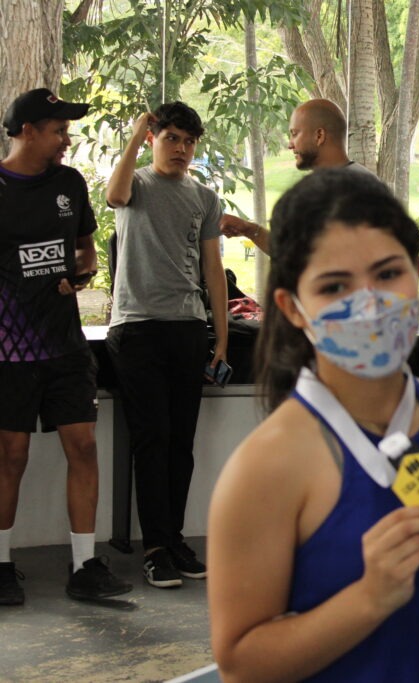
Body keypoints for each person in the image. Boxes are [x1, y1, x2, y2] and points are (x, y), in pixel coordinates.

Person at [207, 168, 419, 682]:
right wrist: (368, 599)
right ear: (292, 308)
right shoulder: (267, 465)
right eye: (335, 286)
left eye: (388, 274)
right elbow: (240, 665)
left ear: (416, 272)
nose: (369, 303)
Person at [0, 88, 132, 604]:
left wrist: (80, 275)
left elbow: (86, 253)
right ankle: (1, 566)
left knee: (84, 447)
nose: (66, 140)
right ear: (27, 131)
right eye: (58, 131)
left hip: (66, 346)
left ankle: (85, 567)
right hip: (8, 353)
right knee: (10, 457)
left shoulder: (69, 183)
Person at [105, 101, 229, 589]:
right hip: (136, 328)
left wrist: (220, 340)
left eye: (189, 141)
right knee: (152, 439)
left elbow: (213, 270)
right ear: (154, 139)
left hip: (186, 327)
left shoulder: (205, 198)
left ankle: (174, 539)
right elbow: (114, 196)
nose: (181, 148)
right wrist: (135, 136)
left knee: (181, 444)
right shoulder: (135, 184)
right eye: (171, 138)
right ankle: (155, 548)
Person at [220, 99, 375, 255]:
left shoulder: (355, 190)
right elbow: (294, 253)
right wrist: (248, 229)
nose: (290, 144)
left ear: (319, 136)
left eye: (294, 134)